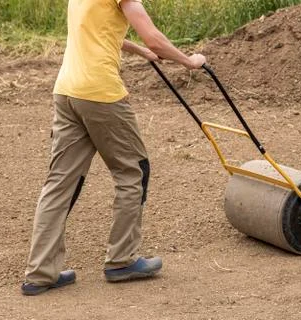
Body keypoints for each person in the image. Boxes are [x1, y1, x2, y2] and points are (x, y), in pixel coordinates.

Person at [21, 0, 207, 296]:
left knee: (59, 184)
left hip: (67, 92)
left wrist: (140, 51)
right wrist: (189, 61)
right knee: (132, 170)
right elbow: (154, 36)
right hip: (100, 94)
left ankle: (40, 273)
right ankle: (122, 260)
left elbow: (99, 32)